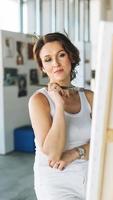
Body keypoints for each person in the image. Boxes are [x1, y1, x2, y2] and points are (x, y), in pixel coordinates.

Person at [28, 32, 93, 200]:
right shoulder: (39, 100)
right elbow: (53, 154)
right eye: (48, 59)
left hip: (91, 176)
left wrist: (75, 153)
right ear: (42, 67)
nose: (56, 63)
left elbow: (103, 144)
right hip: (56, 182)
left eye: (61, 55)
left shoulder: (89, 97)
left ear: (71, 57)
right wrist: (59, 105)